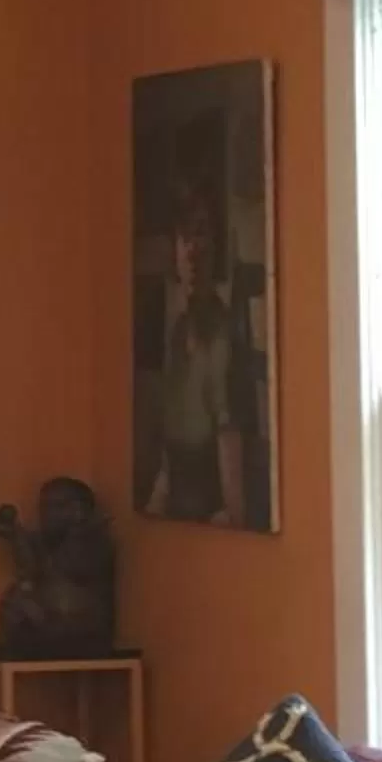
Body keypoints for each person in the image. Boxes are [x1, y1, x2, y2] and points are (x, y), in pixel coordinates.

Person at [145, 181, 246, 526]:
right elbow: (167, 466)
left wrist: (231, 515)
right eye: (184, 238)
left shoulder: (224, 333)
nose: (192, 250)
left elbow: (229, 438)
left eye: (201, 235)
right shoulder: (175, 334)